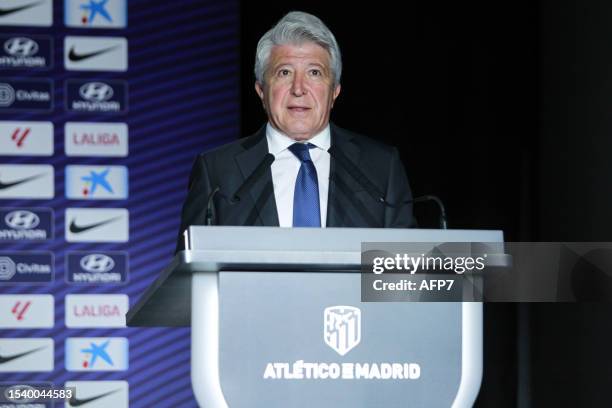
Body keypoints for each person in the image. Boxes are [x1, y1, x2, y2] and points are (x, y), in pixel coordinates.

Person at [175, 11, 415, 252]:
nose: (299, 89)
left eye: (314, 72)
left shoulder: (381, 168)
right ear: (261, 90)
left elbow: (409, 277)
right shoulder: (217, 171)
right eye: (284, 72)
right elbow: (187, 282)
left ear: (334, 92)